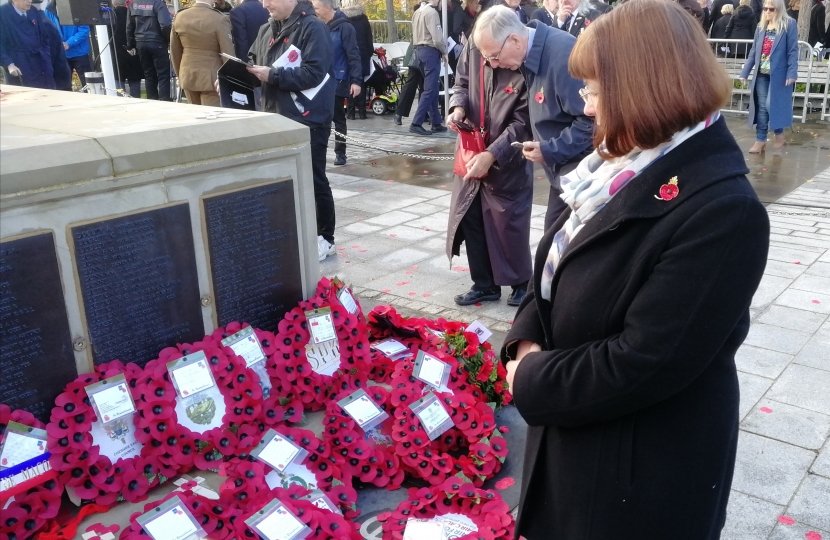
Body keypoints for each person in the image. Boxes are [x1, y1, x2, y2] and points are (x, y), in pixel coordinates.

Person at [500, 1, 769, 537]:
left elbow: (644, 361)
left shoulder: (722, 209)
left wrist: (530, 376)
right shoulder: (615, 166)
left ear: (643, 89)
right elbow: (556, 270)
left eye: (595, 90)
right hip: (580, 433)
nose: (585, 104)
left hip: (636, 471)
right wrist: (525, 340)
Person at [474, 6, 593, 230]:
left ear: (515, 40)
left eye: (495, 57)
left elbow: (593, 121)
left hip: (581, 172)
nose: (494, 65)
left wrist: (550, 150)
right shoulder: (529, 55)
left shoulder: (562, 56)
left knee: (558, 249)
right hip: (563, 170)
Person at [246, 0, 337, 261]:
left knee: (313, 177)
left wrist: (272, 75)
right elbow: (253, 61)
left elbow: (314, 73)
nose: (265, 5)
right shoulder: (266, 29)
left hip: (309, 118)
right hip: (275, 115)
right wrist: (234, 75)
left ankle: (325, 237)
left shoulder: (313, 27)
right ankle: (288, 231)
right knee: (280, 178)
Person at [446, 42, 532, 307]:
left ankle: (521, 282)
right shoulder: (474, 46)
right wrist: (457, 108)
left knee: (508, 220)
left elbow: (523, 121)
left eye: (494, 56)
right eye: (485, 55)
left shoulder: (522, 57)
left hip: (508, 153)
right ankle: (484, 284)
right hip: (472, 145)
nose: (490, 62)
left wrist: (494, 153)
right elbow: (461, 83)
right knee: (471, 214)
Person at [740, 0, 797, 153]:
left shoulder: (789, 24)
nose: (767, 12)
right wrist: (745, 72)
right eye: (765, 8)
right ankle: (760, 140)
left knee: (771, 104)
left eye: (771, 9)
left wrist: (792, 73)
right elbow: (753, 52)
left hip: (779, 74)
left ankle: (779, 133)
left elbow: (793, 51)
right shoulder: (761, 27)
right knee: (762, 108)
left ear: (778, 9)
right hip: (761, 74)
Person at [312, 0, 361, 166]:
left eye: (316, 8)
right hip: (319, 79)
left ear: (328, 7)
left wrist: (356, 81)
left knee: (338, 118)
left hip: (338, 79)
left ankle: (340, 153)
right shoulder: (317, 25)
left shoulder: (345, 27)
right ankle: (319, 152)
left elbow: (353, 55)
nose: (314, 11)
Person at [170, 0, 234, 106]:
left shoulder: (180, 16)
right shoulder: (219, 18)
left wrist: (180, 75)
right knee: (212, 118)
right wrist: (230, 80)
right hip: (212, 78)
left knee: (195, 117)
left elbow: (175, 51)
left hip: (187, 75)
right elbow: (228, 54)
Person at [0, 0, 70, 90]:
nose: (30, 1)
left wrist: (46, 56)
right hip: (19, 62)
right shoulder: (3, 14)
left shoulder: (33, 11)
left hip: (41, 61)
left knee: (47, 91)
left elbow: (44, 37)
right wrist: (9, 64)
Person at [409, 0, 449, 136]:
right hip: (430, 51)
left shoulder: (417, 12)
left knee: (432, 87)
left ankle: (436, 122)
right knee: (431, 88)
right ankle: (416, 122)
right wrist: (444, 51)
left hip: (419, 50)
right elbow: (437, 38)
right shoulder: (432, 13)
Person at [126, 0, 173, 100]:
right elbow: (165, 25)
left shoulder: (133, 5)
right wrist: (169, 40)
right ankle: (165, 100)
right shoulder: (158, 4)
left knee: (149, 74)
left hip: (141, 43)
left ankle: (152, 100)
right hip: (158, 42)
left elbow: (129, 27)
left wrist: (130, 45)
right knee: (163, 74)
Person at [341, 0, 373, 120]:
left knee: (350, 82)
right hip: (363, 53)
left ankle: (350, 113)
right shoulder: (363, 18)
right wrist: (369, 52)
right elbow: (369, 38)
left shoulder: (343, 18)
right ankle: (363, 112)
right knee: (361, 82)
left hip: (348, 55)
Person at [110, 0, 145, 97]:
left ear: (113, 3)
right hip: (132, 51)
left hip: (116, 52)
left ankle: (120, 98)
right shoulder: (133, 14)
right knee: (134, 79)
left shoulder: (110, 16)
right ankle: (136, 99)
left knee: (118, 80)